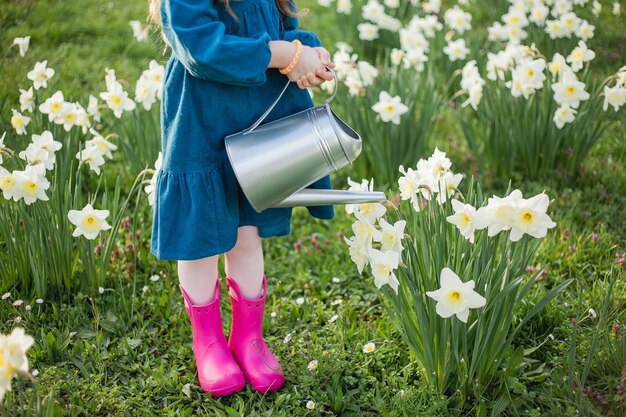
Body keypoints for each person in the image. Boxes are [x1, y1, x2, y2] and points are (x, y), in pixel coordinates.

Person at [148, 0, 335, 396]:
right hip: (200, 122)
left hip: (255, 124)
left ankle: (248, 340)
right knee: (201, 242)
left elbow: (285, 29)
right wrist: (282, 54)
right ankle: (209, 344)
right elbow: (203, 49)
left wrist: (308, 53)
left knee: (246, 234)